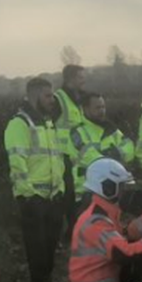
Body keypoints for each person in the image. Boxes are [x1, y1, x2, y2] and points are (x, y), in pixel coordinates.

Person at [4, 77, 66, 282]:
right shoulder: (20, 124)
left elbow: (54, 158)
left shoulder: (48, 123)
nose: (53, 100)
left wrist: (59, 189)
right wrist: (28, 195)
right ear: (34, 95)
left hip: (52, 197)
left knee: (49, 249)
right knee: (37, 251)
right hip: (34, 199)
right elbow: (17, 164)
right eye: (48, 95)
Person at [67, 91, 135, 207]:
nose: (102, 111)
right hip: (87, 194)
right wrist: (114, 159)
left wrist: (117, 153)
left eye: (103, 107)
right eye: (97, 108)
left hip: (112, 194)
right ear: (86, 109)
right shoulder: (77, 132)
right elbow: (91, 158)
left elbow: (129, 147)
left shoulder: (110, 128)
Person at [55, 65, 87, 232]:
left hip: (77, 157)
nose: (84, 80)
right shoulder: (59, 99)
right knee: (68, 197)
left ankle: (75, 231)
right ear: (70, 79)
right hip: (63, 157)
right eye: (81, 77)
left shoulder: (77, 99)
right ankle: (71, 232)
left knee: (76, 196)